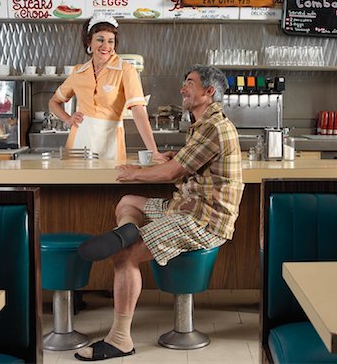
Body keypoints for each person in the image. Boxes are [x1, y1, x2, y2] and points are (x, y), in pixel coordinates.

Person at [76, 65, 245, 361]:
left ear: (209, 92)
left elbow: (174, 172)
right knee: (128, 202)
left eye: (189, 83)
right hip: (186, 207)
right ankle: (126, 230)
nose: (183, 88)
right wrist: (168, 162)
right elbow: (186, 165)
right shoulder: (202, 124)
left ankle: (119, 340)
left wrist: (137, 173)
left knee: (125, 256)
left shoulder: (213, 126)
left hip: (202, 220)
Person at [49, 13, 164, 161]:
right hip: (78, 142)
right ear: (89, 42)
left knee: (109, 182)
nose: (106, 46)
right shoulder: (79, 71)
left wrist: (153, 151)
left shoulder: (126, 70)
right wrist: (68, 119)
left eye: (111, 41)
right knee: (76, 183)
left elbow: (139, 111)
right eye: (100, 40)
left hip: (110, 143)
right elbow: (53, 102)